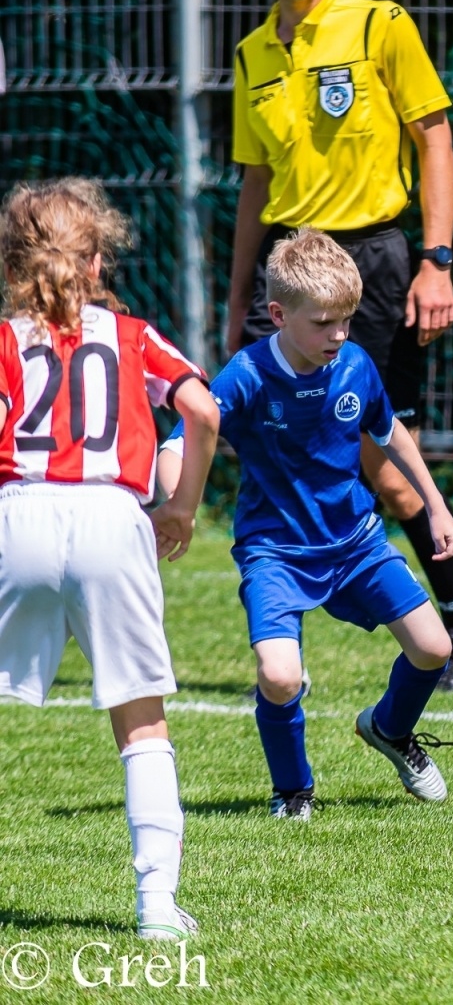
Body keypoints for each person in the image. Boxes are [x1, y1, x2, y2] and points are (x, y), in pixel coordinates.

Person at [229, 0, 453, 691]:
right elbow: (256, 180)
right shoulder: (251, 55)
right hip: (287, 267)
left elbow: (434, 137)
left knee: (391, 470)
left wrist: (435, 260)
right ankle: (286, 623)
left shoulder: (382, 25)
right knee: (267, 443)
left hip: (372, 267)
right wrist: (239, 292)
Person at [158, 228, 453, 821]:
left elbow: (388, 430)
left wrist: (436, 504)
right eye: (324, 322)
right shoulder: (246, 375)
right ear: (278, 314)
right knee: (278, 676)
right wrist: (174, 499)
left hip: (354, 542)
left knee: (434, 647)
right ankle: (293, 790)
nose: (340, 334)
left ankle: (390, 730)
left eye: (345, 320)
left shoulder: (354, 364)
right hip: (275, 551)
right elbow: (185, 437)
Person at [0, 179, 219, 938]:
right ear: (98, 263)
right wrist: (183, 504)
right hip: (111, 516)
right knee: (141, 723)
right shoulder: (132, 336)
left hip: (19, 511)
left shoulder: (5, 340)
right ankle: (157, 907)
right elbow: (202, 409)